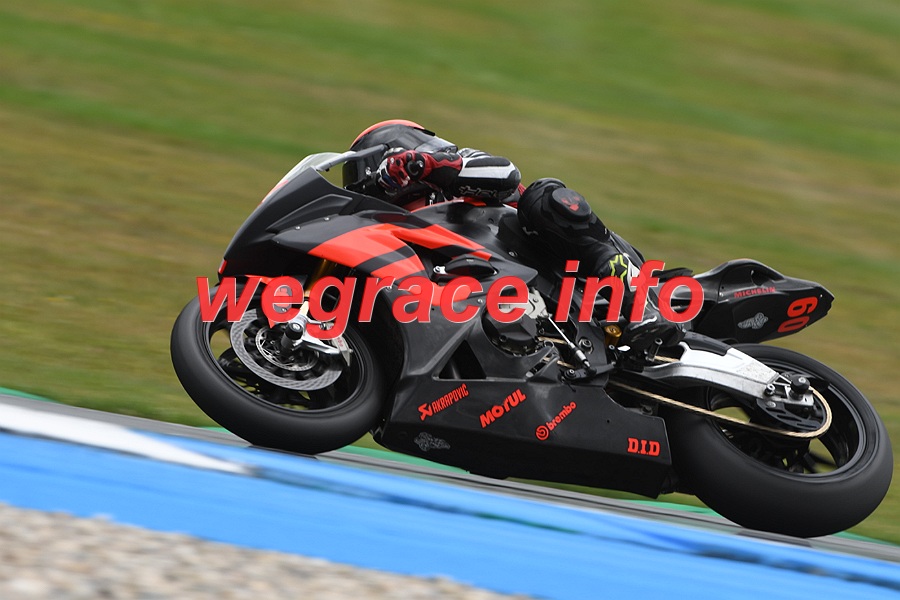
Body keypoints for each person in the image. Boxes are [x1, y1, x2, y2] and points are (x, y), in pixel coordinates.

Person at [342, 119, 684, 356]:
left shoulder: (458, 173)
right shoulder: (404, 246)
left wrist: (426, 165)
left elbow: (508, 174)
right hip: (525, 314)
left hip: (570, 269)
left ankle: (641, 299)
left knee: (543, 196)